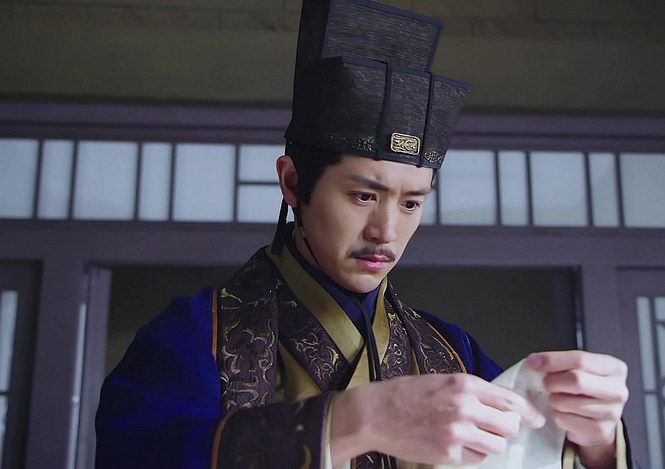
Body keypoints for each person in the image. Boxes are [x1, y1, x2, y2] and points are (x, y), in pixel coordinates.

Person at [95, 1, 631, 468]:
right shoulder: (197, 334)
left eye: (412, 202)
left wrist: (596, 441)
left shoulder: (453, 350)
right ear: (293, 182)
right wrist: (357, 418)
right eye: (363, 196)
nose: (386, 231)